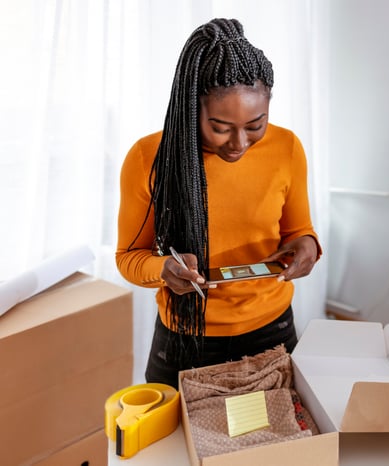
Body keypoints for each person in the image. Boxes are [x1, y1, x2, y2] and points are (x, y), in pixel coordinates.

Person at [115, 18, 321, 388]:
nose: (239, 143)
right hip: (184, 340)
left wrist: (307, 246)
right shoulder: (149, 158)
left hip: (272, 330)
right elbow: (129, 257)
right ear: (191, 109)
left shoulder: (286, 148)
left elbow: (298, 230)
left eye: (255, 125)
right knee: (175, 447)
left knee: (280, 443)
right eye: (221, 128)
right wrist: (163, 268)